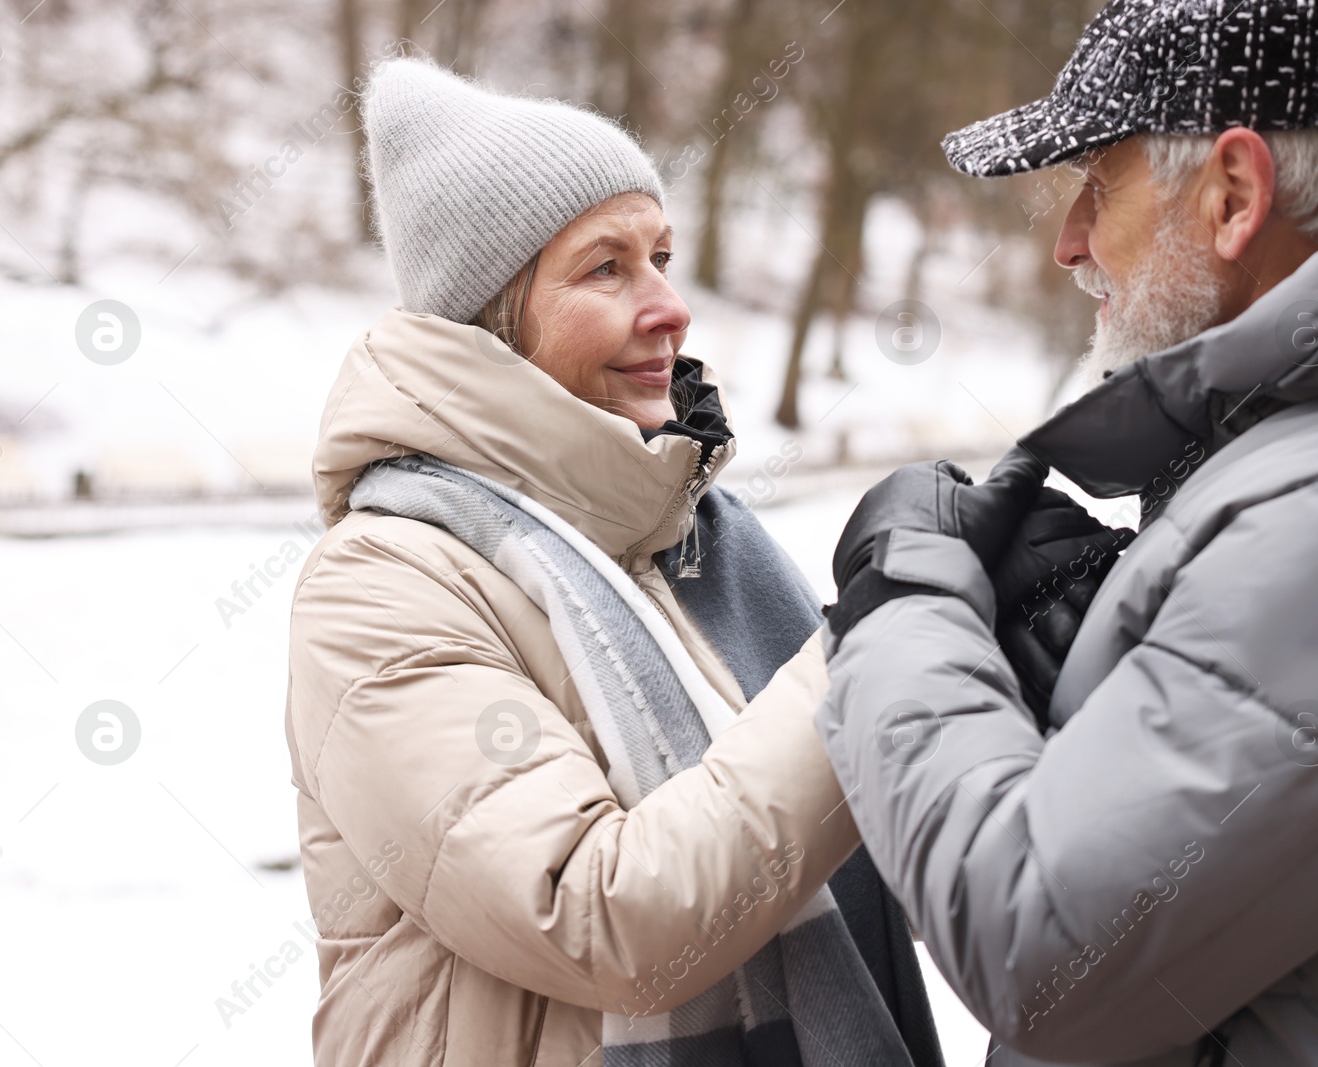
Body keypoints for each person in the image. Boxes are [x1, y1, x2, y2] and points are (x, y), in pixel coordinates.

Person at [815, 0, 1318, 1063]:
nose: (1069, 242)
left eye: (1099, 182)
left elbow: (1043, 952)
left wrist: (904, 609)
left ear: (1234, 194)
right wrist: (1086, 681)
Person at [284, 59, 942, 1067]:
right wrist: (862, 651)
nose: (670, 305)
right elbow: (598, 911)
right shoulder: (386, 584)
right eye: (607, 267)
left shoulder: (684, 542)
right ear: (493, 318)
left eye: (663, 256)